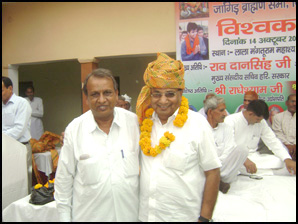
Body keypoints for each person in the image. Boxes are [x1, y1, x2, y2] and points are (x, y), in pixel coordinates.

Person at [136, 53, 221, 222]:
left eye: (170, 94)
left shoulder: (197, 124)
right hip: (145, 216)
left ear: (180, 93)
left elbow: (213, 172)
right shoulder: (142, 123)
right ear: (149, 94)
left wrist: (205, 218)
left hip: (183, 218)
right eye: (156, 94)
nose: (163, 101)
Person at [54, 68, 140, 222]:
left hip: (130, 216)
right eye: (94, 94)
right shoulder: (74, 130)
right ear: (86, 98)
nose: (101, 100)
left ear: (116, 93)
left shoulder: (134, 124)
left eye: (107, 93)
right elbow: (63, 182)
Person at [224, 100, 296, 176]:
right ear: (250, 114)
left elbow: (272, 141)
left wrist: (287, 159)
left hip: (254, 157)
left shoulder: (261, 122)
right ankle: (270, 172)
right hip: (235, 157)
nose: (259, 122)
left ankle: (251, 172)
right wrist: (245, 160)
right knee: (232, 165)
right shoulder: (230, 120)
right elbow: (229, 145)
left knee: (280, 161)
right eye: (258, 119)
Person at [205, 96, 248, 194]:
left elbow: (229, 149)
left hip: (221, 168)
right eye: (221, 110)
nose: (225, 113)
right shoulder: (200, 128)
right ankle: (216, 181)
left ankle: (216, 180)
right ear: (210, 112)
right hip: (205, 168)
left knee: (242, 149)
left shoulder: (227, 127)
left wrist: (217, 165)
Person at [2, 76, 33, 194]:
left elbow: (19, 129)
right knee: (7, 183)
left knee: (23, 184)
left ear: (10, 88)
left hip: (20, 147)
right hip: (4, 149)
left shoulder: (21, 103)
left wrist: (3, 137)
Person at [272, 94, 296, 161]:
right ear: (287, 103)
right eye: (292, 101)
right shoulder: (278, 117)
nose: (294, 104)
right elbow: (277, 133)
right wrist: (288, 145)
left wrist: (294, 145)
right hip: (283, 146)